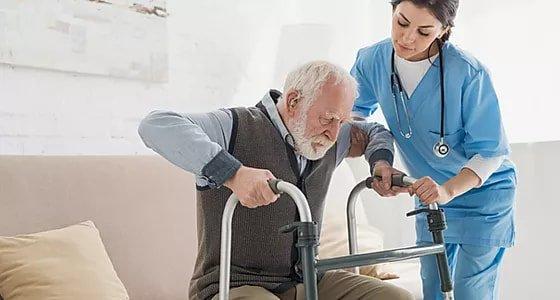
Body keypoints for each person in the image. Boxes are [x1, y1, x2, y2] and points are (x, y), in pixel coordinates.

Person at [138, 61, 413, 300]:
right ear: (293, 102)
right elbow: (155, 124)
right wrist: (234, 174)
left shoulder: (334, 135)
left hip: (307, 279)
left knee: (396, 297)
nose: (334, 134)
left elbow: (373, 131)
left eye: (341, 121)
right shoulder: (234, 126)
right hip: (235, 285)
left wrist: (381, 163)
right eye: (328, 119)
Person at [350, 1, 517, 299]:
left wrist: (448, 190)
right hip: (430, 197)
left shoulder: (468, 73)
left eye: (424, 31)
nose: (407, 38)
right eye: (401, 23)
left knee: (469, 291)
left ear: (444, 31)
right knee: (433, 288)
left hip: (483, 196)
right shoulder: (371, 60)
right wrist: (380, 162)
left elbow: (491, 152)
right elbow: (352, 119)